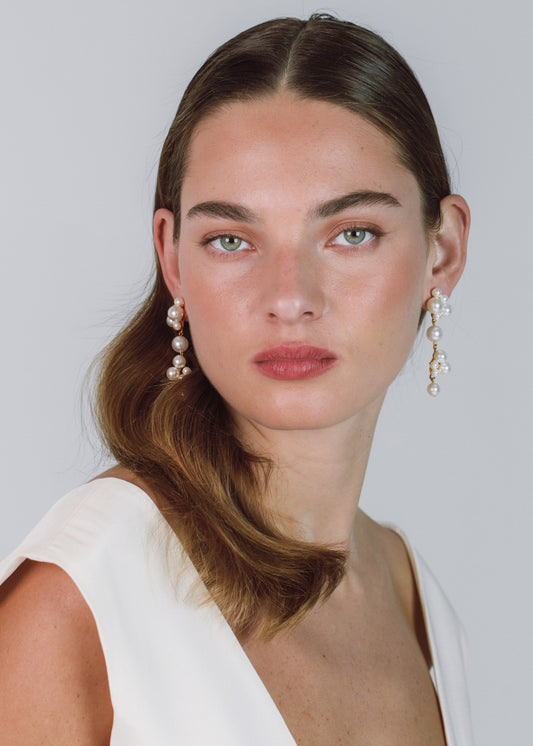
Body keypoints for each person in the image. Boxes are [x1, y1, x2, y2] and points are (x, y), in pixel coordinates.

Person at [0, 14, 471, 745]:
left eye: (351, 234)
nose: (290, 297)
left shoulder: (413, 595)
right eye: (231, 239)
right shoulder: (79, 595)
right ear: (172, 258)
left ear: (442, 250)